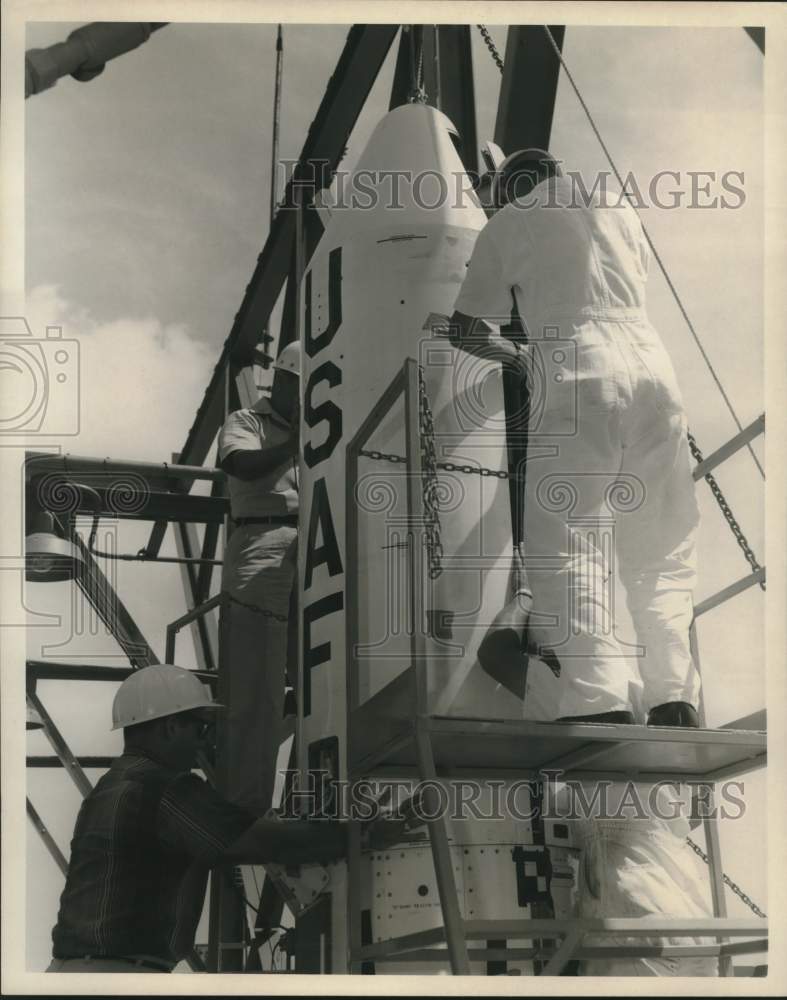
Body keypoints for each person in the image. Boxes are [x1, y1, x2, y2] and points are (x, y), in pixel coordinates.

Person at [442, 148, 702, 727]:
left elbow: (462, 329)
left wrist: (516, 354)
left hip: (579, 371)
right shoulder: (617, 204)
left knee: (569, 545)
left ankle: (599, 699)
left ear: (509, 188)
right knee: (660, 548)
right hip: (657, 377)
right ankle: (674, 697)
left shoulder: (509, 220)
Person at [47, 664, 347, 974]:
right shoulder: (166, 787)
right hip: (117, 976)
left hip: (70, 972)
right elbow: (261, 843)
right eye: (199, 728)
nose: (204, 741)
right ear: (171, 727)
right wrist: (355, 836)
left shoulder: (109, 788)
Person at [217, 340, 301, 814]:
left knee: (309, 680)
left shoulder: (321, 426)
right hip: (260, 544)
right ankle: (244, 809)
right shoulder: (247, 421)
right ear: (286, 380)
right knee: (254, 681)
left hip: (312, 548)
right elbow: (238, 464)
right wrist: (296, 445)